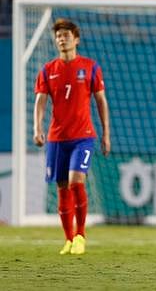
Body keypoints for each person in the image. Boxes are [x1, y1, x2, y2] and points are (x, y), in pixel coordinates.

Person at [33, 18, 111, 255]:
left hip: (83, 136)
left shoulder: (90, 67)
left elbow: (100, 101)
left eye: (66, 35)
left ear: (76, 39)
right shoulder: (48, 70)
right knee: (62, 186)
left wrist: (106, 133)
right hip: (57, 138)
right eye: (58, 35)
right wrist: (37, 129)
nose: (61, 38)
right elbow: (40, 102)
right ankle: (68, 239)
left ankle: (81, 236)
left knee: (77, 181)